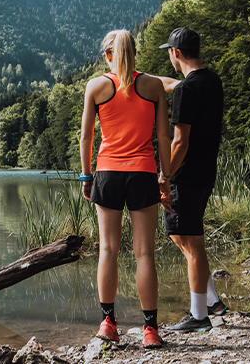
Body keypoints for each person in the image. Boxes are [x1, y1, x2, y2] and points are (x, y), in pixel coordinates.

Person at [78, 29, 172, 349]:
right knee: (145, 253)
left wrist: (86, 177)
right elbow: (163, 137)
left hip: (107, 173)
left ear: (107, 55)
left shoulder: (96, 86)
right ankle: (150, 330)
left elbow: (87, 138)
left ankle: (108, 323)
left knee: (108, 250)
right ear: (135, 52)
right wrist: (165, 178)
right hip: (144, 173)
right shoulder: (153, 86)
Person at [154, 27, 227, 334]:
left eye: (169, 52)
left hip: (184, 176)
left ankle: (199, 316)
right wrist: (140, 78)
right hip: (205, 173)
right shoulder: (211, 81)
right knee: (181, 235)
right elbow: (174, 84)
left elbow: (179, 142)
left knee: (193, 245)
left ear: (176, 53)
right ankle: (212, 301)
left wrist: (164, 175)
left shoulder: (187, 90)